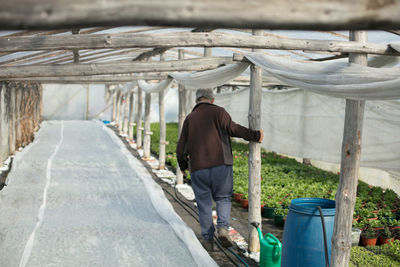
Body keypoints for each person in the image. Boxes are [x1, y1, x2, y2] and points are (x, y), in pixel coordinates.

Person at [176, 88, 264, 251]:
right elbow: (234, 129)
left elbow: (181, 146)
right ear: (212, 99)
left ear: (197, 101)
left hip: (198, 168)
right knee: (223, 198)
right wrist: (255, 135)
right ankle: (223, 228)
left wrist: (183, 166)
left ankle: (208, 240)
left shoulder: (190, 118)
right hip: (221, 166)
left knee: (203, 204)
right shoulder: (219, 112)